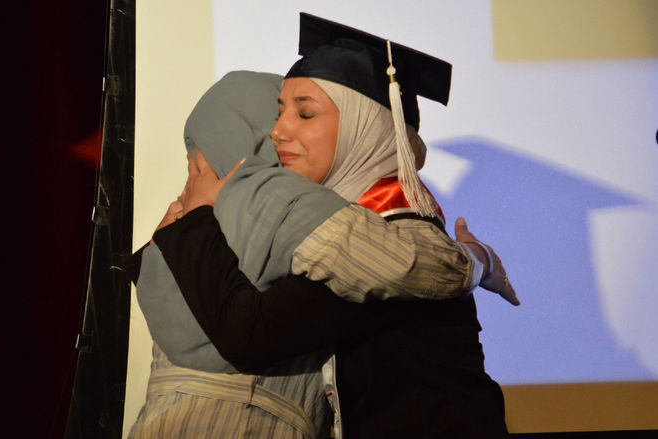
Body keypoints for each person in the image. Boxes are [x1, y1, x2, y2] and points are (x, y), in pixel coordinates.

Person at [128, 14, 516, 438]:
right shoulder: (344, 226)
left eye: (306, 114)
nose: (278, 132)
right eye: (279, 113)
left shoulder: (390, 231)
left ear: (361, 128)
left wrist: (476, 262)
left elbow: (250, 334)